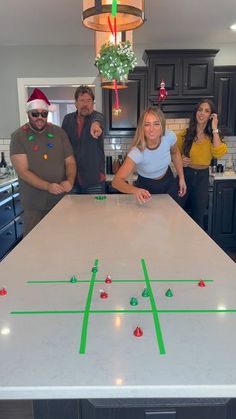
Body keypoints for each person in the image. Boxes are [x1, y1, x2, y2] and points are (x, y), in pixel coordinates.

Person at [10, 88, 76, 236]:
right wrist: (47, 186)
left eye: (44, 113)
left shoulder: (59, 133)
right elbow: (23, 172)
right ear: (28, 114)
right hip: (34, 203)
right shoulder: (18, 136)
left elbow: (70, 161)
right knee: (35, 244)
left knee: (61, 239)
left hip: (60, 200)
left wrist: (70, 180)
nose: (40, 117)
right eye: (35, 114)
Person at [112, 106, 186, 204]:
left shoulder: (169, 136)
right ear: (142, 127)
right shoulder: (137, 152)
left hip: (169, 183)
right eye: (147, 124)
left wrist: (181, 178)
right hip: (146, 188)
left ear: (162, 126)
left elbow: (175, 153)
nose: (151, 129)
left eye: (156, 124)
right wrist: (135, 190)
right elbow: (116, 181)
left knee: (170, 217)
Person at [176, 98, 228, 229]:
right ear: (195, 113)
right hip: (184, 176)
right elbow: (173, 154)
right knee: (176, 213)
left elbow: (218, 153)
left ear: (211, 115)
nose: (202, 113)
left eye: (206, 111)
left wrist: (214, 127)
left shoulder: (213, 137)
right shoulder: (184, 134)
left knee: (198, 218)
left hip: (202, 178)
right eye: (200, 110)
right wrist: (181, 159)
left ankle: (196, 247)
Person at [62, 85, 105, 194]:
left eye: (89, 100)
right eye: (81, 100)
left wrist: (95, 125)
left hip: (94, 180)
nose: (85, 104)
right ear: (76, 103)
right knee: (73, 211)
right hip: (72, 180)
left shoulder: (98, 117)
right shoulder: (67, 119)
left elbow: (98, 120)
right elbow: (62, 145)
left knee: (95, 211)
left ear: (93, 103)